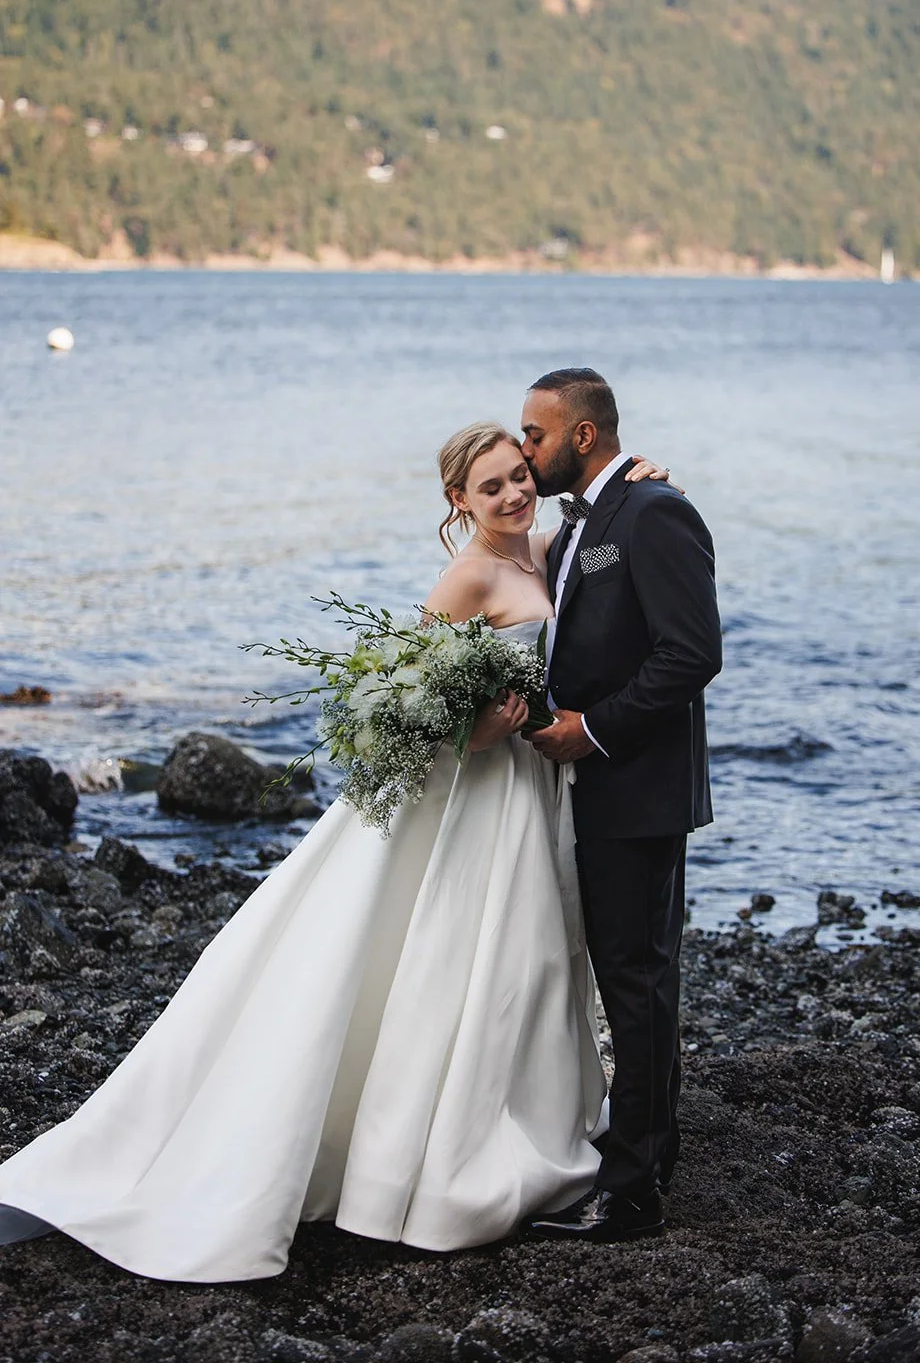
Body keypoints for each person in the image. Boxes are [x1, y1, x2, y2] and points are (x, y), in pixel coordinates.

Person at [0, 423, 672, 1281]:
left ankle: (515, 1117)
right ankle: (426, 1157)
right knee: (458, 960)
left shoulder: (542, 549)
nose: (512, 496)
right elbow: (409, 711)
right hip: (476, 798)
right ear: (457, 502)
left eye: (518, 478)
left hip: (529, 800)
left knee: (528, 963)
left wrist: (639, 479)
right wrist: (477, 731)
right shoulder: (467, 575)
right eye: (491, 487)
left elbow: (595, 527)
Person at [521, 368, 721, 1245]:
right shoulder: (575, 532)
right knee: (631, 982)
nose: (526, 449)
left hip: (635, 789)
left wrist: (592, 733)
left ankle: (632, 1194)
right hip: (588, 788)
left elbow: (689, 655)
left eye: (536, 434)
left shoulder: (653, 512)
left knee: (634, 985)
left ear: (584, 436)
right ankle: (648, 1156)